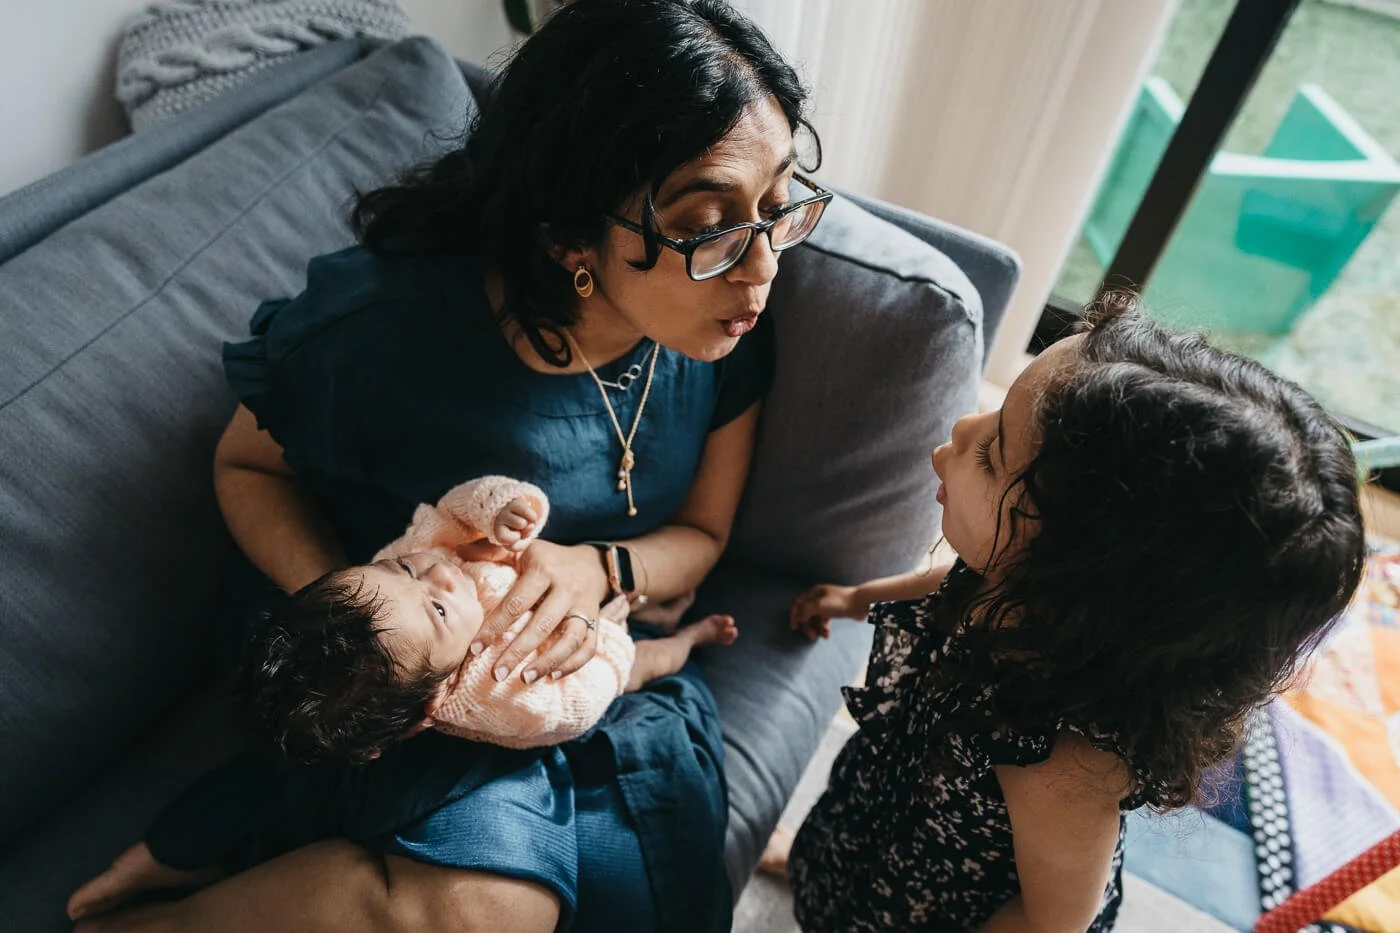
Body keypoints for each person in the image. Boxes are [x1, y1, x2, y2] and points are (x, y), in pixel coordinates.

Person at [68, 1, 830, 931]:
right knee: (484, 909)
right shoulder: (379, 332)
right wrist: (376, 615)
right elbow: (246, 467)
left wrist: (593, 570)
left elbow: (702, 537)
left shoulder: (724, 326)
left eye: (779, 202)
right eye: (708, 224)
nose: (760, 268)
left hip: (570, 664)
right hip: (380, 660)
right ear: (569, 237)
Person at [773, 298, 1366, 932]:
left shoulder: (1062, 765)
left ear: (1080, 574)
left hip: (939, 912)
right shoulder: (1011, 585)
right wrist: (855, 598)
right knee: (838, 866)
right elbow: (946, 582)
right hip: (888, 816)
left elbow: (1050, 922)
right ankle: (820, 873)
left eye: (993, 454)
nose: (964, 429)